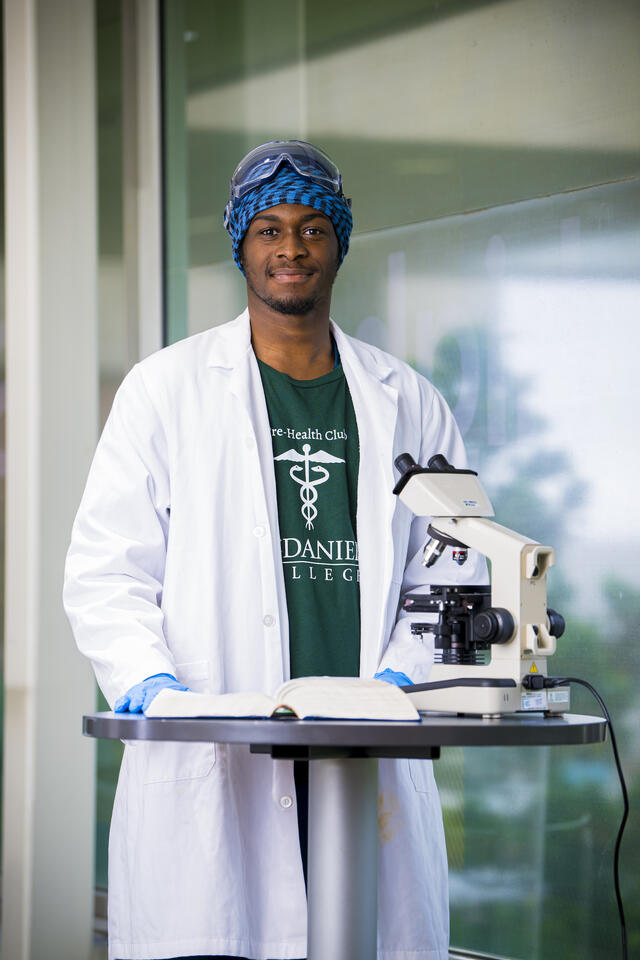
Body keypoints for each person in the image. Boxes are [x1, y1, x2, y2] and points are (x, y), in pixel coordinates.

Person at [64, 140, 485, 960]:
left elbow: (457, 561)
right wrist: (147, 683)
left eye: (311, 229)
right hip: (215, 748)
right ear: (240, 246)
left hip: (367, 749)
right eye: (267, 229)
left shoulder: (410, 401)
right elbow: (107, 569)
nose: (290, 248)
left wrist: (404, 675)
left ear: (339, 245)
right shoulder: (167, 389)